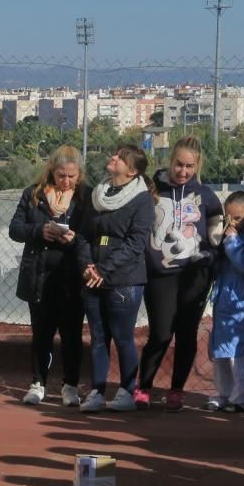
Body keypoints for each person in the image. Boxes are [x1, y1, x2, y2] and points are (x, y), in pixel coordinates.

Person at [136, 136, 223, 412]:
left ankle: (176, 390)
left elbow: (216, 238)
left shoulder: (207, 196)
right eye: (178, 165)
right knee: (161, 334)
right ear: (170, 161)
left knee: (186, 335)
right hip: (160, 275)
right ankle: (144, 387)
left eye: (189, 166)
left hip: (195, 277)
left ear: (196, 166)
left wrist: (208, 257)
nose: (183, 171)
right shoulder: (151, 189)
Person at [73, 145, 156, 413]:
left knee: (122, 336)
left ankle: (127, 391)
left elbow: (135, 243)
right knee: (98, 337)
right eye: (115, 153)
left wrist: (103, 270)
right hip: (92, 277)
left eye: (121, 158)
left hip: (124, 281)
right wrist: (87, 265)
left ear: (132, 171)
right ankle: (97, 391)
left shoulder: (142, 200)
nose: (114, 157)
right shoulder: (98, 195)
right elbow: (83, 234)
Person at [8, 145, 89, 407]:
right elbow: (15, 229)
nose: (66, 181)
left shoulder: (85, 198)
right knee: (41, 333)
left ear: (80, 175)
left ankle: (70, 386)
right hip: (39, 274)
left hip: (71, 277)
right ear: (51, 171)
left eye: (71, 176)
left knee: (71, 334)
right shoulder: (34, 194)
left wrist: (74, 238)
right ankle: (38, 382)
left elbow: (92, 234)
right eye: (61, 175)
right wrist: (39, 231)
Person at [207, 192, 244, 413]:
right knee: (221, 350)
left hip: (240, 296)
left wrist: (232, 240)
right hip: (222, 296)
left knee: (241, 350)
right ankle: (223, 393)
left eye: (238, 218)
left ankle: (242, 396)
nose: (232, 222)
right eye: (229, 217)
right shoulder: (222, 232)